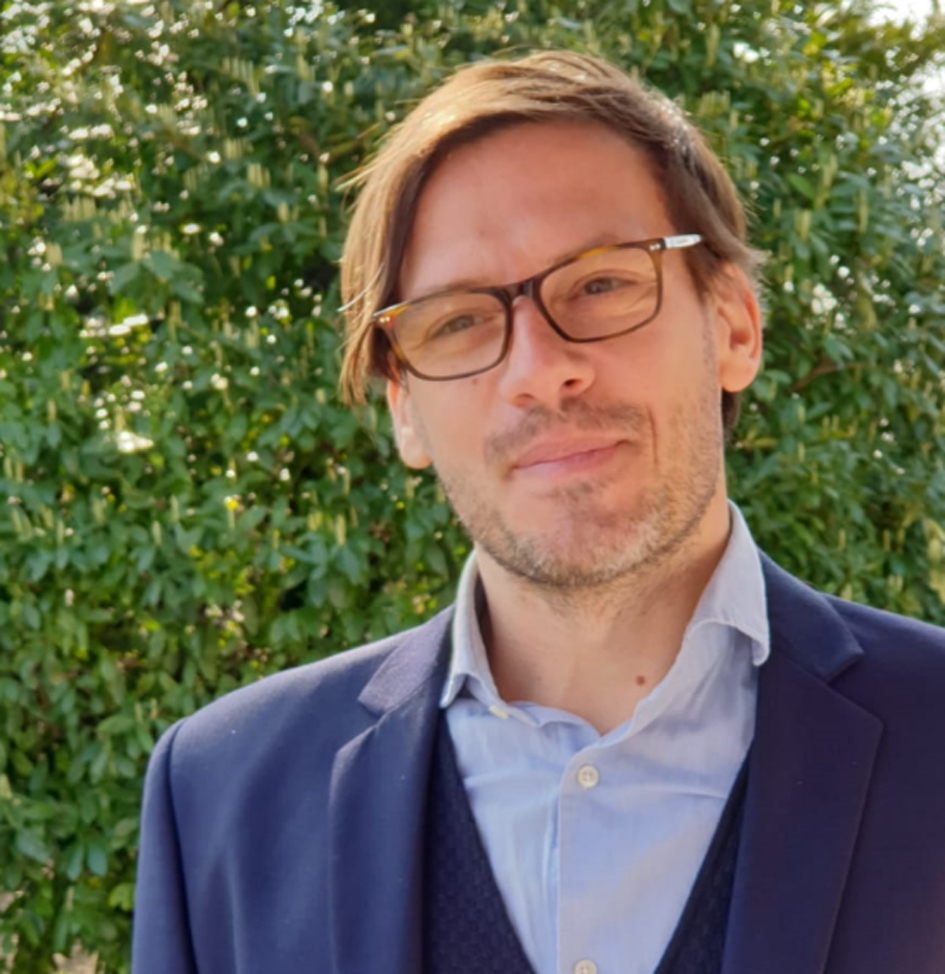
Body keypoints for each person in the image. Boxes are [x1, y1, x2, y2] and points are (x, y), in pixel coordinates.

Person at [132, 51, 945, 974]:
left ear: (731, 326)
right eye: (456, 321)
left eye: (599, 284)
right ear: (404, 411)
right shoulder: (219, 798)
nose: (538, 370)